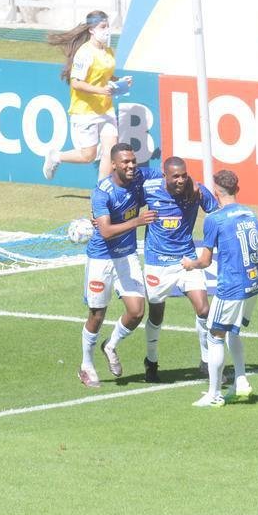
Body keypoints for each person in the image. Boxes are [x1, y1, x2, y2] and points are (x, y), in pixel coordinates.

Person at [181, 170, 258, 408]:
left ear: (216, 192)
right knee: (233, 331)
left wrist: (190, 264)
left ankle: (214, 395)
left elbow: (205, 261)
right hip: (253, 284)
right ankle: (241, 382)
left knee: (214, 335)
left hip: (231, 286)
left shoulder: (215, 219)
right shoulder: (251, 214)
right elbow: (249, 244)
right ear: (237, 189)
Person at [77, 142, 158, 388]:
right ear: (114, 165)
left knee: (137, 311)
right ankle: (86, 365)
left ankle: (110, 345)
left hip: (127, 256)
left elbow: (164, 177)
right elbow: (105, 230)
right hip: (101, 259)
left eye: (133, 161)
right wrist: (137, 221)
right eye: (126, 162)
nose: (132, 165)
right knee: (97, 314)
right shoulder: (102, 192)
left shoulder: (140, 177)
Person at [141, 156, 219, 383]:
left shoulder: (196, 192)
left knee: (204, 310)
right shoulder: (149, 189)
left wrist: (211, 244)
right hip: (157, 263)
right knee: (156, 314)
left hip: (187, 259)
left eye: (184, 175)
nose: (181, 180)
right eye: (176, 176)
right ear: (164, 175)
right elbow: (128, 201)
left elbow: (216, 215)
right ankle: (151, 361)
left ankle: (205, 363)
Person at [41, 10, 132, 182]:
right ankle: (55, 157)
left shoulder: (108, 51)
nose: (107, 31)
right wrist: (101, 90)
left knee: (110, 152)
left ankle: (102, 192)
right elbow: (76, 82)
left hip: (106, 109)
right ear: (91, 30)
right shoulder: (84, 53)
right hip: (85, 111)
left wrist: (120, 81)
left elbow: (106, 77)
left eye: (108, 26)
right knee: (87, 156)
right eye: (103, 27)